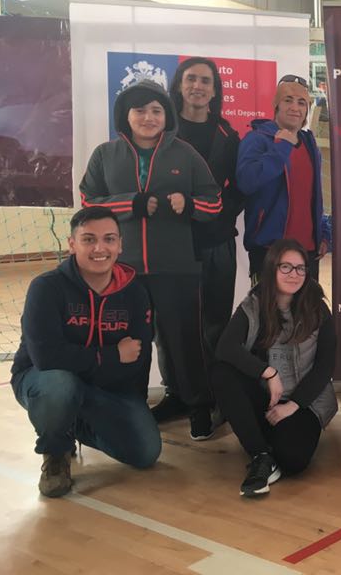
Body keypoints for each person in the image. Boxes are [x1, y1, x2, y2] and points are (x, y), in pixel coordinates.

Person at [79, 80, 222, 440]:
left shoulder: (185, 154)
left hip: (177, 267)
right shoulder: (105, 154)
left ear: (166, 116)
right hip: (122, 270)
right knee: (132, 341)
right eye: (140, 110)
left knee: (183, 339)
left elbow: (214, 203)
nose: (148, 117)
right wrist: (131, 203)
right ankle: (132, 407)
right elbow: (88, 202)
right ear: (125, 116)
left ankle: (198, 404)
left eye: (156, 110)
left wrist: (189, 204)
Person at [11, 207, 161, 497]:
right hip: (42, 380)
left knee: (145, 452)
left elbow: (138, 359)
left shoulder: (135, 292)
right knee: (60, 384)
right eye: (89, 239)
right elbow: (46, 358)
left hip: (102, 388)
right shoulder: (46, 288)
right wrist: (112, 355)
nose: (99, 248)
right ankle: (56, 452)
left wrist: (134, 408)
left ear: (120, 245)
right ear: (72, 244)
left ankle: (70, 423)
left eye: (109, 239)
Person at [153, 57, 244, 424]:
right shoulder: (160, 132)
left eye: (206, 80)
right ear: (179, 84)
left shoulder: (227, 135)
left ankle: (209, 398)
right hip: (169, 245)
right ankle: (177, 393)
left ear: (215, 89)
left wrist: (218, 216)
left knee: (214, 324)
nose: (198, 86)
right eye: (191, 78)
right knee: (170, 324)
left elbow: (239, 189)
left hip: (215, 243)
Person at [212, 238, 337, 496]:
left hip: (304, 402)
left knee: (293, 460)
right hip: (266, 396)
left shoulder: (317, 307)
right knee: (222, 372)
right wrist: (268, 373)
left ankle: (268, 445)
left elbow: (326, 366)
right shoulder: (254, 304)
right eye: (286, 267)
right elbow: (225, 347)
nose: (294, 274)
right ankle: (261, 456)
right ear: (272, 269)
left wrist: (293, 405)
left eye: (300, 268)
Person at [236, 74, 329, 283]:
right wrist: (281, 147)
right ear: (276, 105)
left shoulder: (310, 144)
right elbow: (246, 182)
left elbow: (313, 195)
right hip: (269, 251)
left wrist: (323, 231)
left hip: (308, 251)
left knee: (307, 306)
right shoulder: (257, 139)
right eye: (288, 100)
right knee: (267, 306)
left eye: (301, 102)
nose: (295, 107)